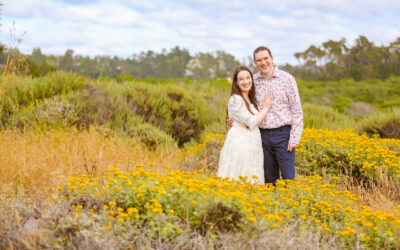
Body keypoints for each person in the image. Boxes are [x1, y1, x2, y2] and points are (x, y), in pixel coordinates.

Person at [228, 46, 303, 184]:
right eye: (259, 60)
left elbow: (296, 110)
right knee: (268, 179)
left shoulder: (287, 79)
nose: (263, 62)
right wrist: (235, 119)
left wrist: (295, 137)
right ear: (255, 63)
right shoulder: (252, 81)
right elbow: (243, 103)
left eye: (266, 58)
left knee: (288, 178)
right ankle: (271, 204)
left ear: (272, 58)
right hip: (260, 135)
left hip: (283, 135)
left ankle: (289, 204)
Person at [217, 65, 273, 184]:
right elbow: (252, 122)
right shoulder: (236, 99)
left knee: (250, 179)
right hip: (240, 145)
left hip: (252, 145)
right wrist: (266, 108)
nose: (246, 81)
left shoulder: (249, 99)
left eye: (248, 78)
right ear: (236, 82)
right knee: (238, 179)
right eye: (241, 79)